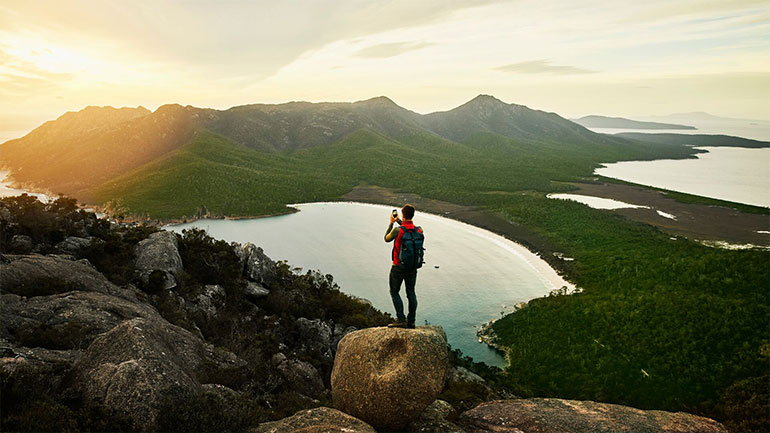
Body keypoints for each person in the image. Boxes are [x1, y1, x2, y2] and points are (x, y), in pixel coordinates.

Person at [384, 204, 423, 328]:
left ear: (403, 214)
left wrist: (391, 223)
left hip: (398, 266)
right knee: (411, 292)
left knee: (394, 292)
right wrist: (400, 221)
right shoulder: (419, 230)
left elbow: (386, 238)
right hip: (413, 267)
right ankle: (411, 321)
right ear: (412, 215)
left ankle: (401, 319)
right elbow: (407, 229)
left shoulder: (398, 230)